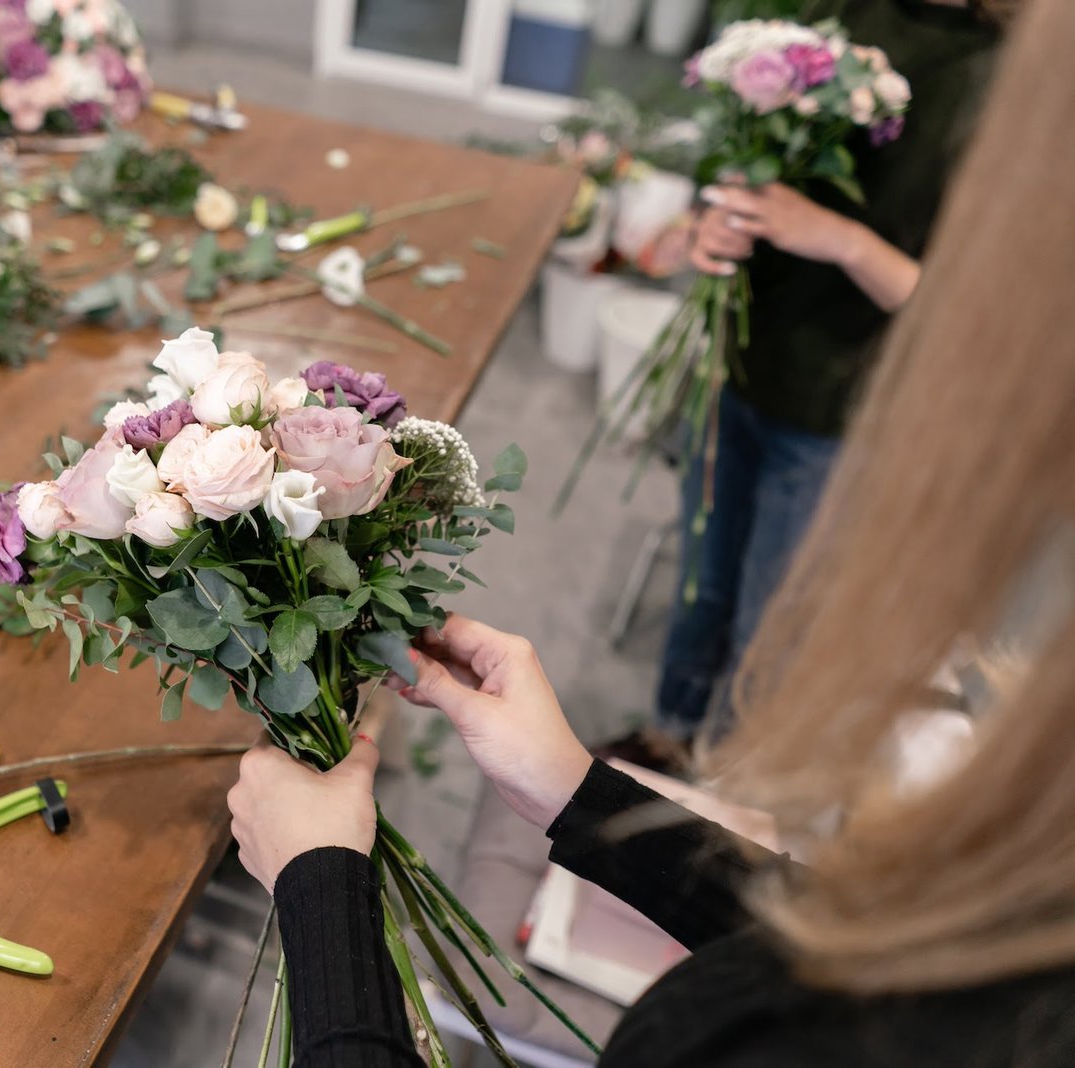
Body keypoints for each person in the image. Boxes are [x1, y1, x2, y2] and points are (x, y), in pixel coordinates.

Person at [227, 0, 1075, 1060]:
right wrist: (575, 792)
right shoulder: (996, 918)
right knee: (709, 588)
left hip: (816, 405)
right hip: (751, 382)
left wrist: (321, 903)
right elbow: (835, 952)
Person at [603, 0, 1013, 771]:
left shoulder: (1007, 81)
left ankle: (724, 781)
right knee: (703, 586)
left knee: (771, 623)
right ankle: (668, 740)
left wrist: (843, 241)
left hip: (842, 412)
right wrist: (720, 218)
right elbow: (745, 169)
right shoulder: (832, 18)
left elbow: (972, 317)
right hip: (739, 368)